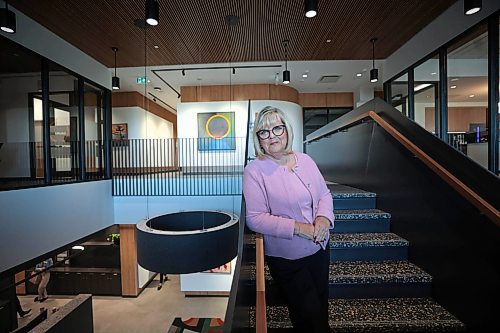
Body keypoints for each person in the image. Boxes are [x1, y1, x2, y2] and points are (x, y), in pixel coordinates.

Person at [243, 106, 334, 333]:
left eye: (277, 128)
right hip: (288, 258)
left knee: (321, 307)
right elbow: (255, 219)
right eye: (264, 132)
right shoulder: (254, 170)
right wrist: (300, 228)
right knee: (308, 318)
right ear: (258, 139)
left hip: (320, 248)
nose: (272, 135)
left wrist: (323, 218)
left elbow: (324, 194)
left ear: (286, 131)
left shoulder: (305, 159)